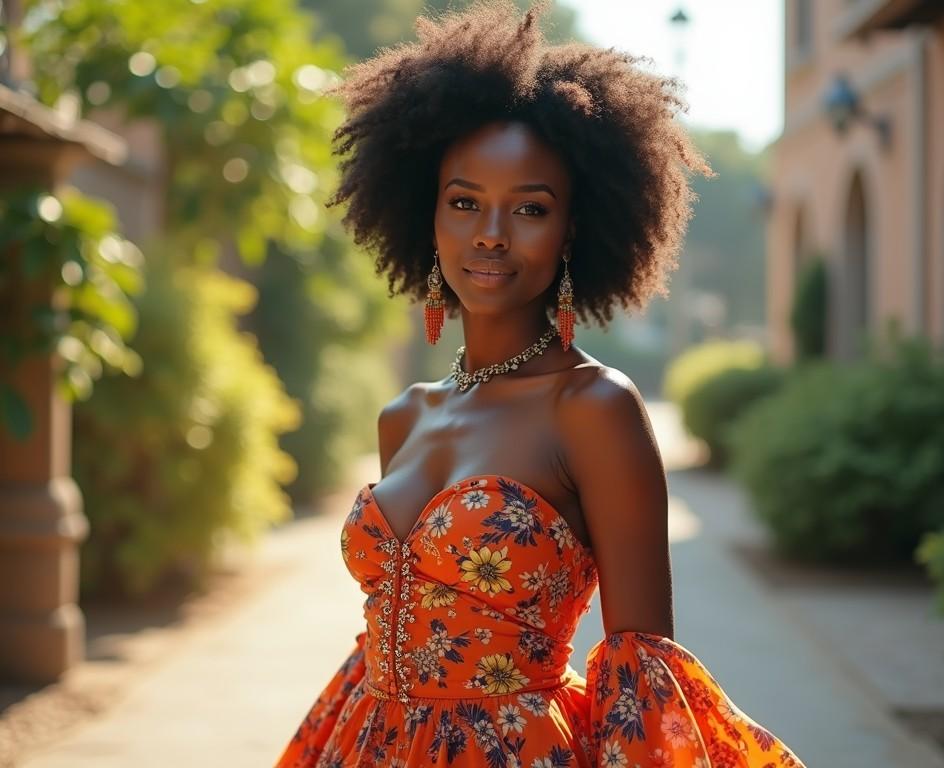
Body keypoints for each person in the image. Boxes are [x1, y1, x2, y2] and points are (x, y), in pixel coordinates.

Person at [274, 2, 807, 766]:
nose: (491, 233)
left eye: (530, 208)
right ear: (427, 218)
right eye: (464, 203)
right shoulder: (405, 416)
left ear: (573, 232)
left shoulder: (594, 410)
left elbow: (642, 676)